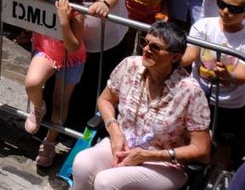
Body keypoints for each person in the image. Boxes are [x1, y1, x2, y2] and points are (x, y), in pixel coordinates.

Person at [72, 21, 212, 190]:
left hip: (163, 162)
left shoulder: (190, 92)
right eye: (144, 43)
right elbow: (105, 99)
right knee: (82, 163)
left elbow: (202, 150)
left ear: (174, 57)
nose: (146, 49)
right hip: (123, 144)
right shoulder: (130, 65)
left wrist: (146, 155)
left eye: (155, 47)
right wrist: (114, 129)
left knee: (106, 182)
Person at [181, 0, 245, 168]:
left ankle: (214, 177)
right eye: (221, 4)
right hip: (199, 96)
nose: (225, 11)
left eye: (234, 9)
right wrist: (169, 58)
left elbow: (241, 76)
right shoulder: (203, 25)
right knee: (191, 136)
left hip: (230, 103)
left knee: (223, 146)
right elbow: (191, 56)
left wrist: (228, 75)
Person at [23, 0, 87, 167]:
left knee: (60, 102)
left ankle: (49, 142)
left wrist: (63, 20)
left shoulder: (75, 9)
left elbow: (73, 47)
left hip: (71, 58)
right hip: (46, 51)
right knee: (32, 83)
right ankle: (39, 107)